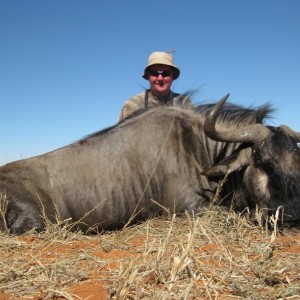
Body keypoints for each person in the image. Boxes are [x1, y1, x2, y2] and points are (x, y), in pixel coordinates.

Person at [118, 51, 192, 121]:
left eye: (165, 73)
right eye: (155, 73)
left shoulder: (184, 102)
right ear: (148, 77)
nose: (160, 78)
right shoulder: (132, 104)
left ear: (172, 77)